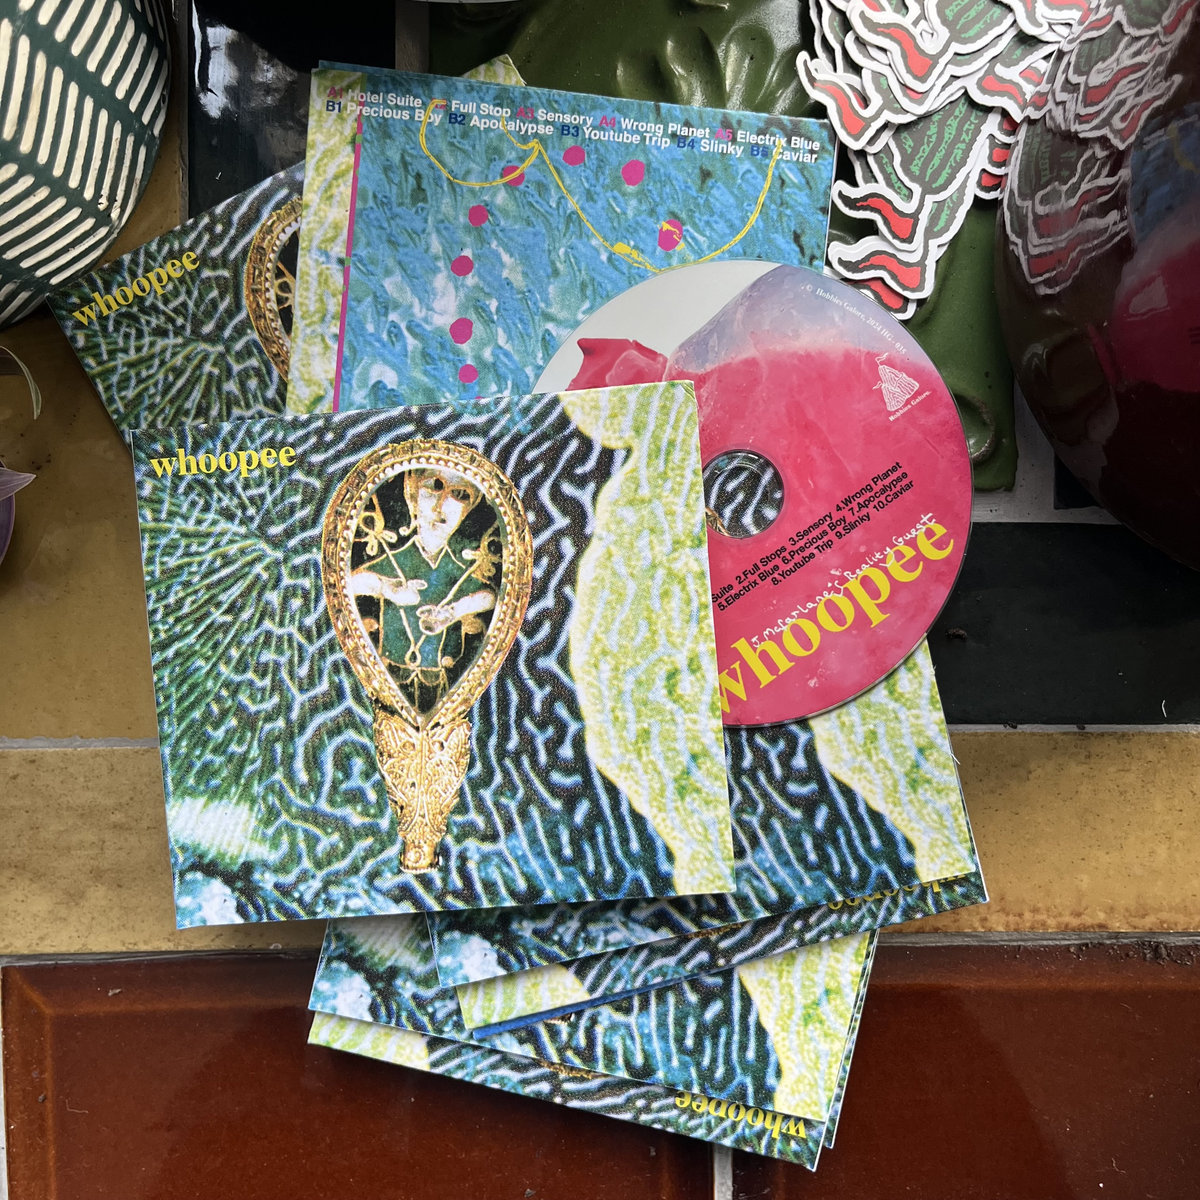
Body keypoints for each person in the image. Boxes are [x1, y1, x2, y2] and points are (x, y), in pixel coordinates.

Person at [350, 465, 498, 711]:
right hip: (391, 678)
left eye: (460, 494)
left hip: (437, 681)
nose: (442, 505)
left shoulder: (458, 570)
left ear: (466, 511)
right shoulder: (398, 559)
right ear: (412, 495)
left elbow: (489, 597)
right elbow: (354, 582)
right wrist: (387, 589)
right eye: (435, 486)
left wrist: (453, 612)